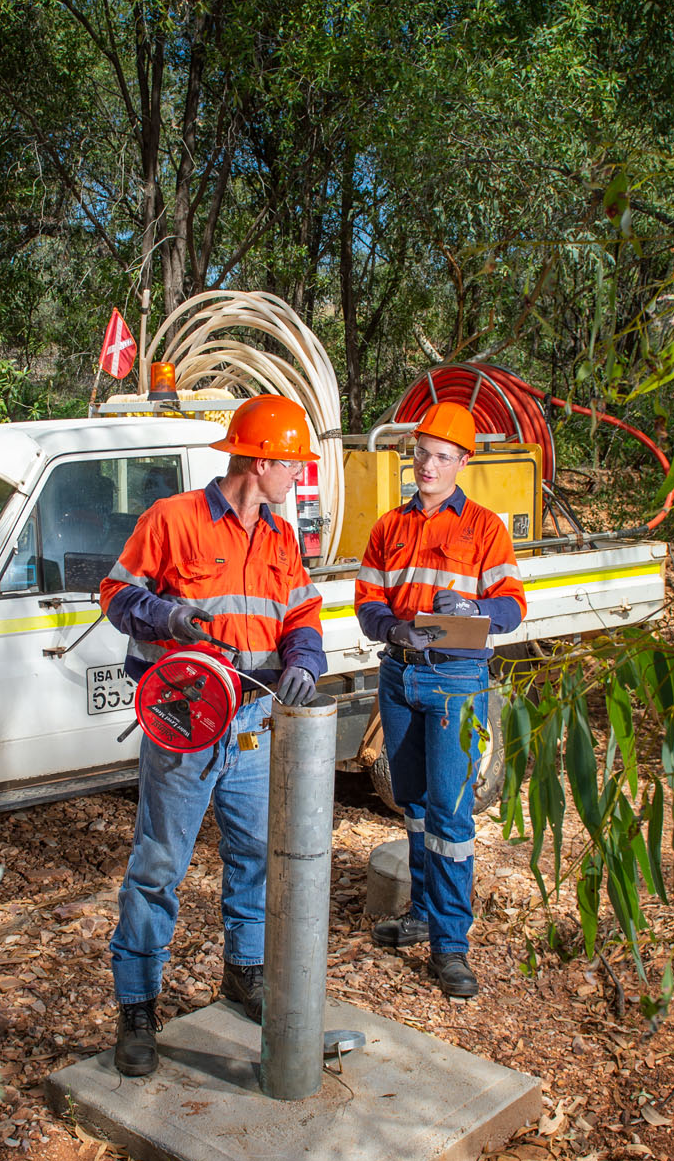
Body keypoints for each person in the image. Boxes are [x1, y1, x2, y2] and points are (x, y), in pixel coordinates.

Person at [98, 394, 327, 1075]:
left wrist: (306, 660)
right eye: (293, 464)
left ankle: (244, 973)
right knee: (159, 866)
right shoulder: (172, 520)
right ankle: (137, 1009)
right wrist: (168, 618)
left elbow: (301, 612)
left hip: (253, 722)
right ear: (259, 461)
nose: (299, 475)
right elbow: (114, 595)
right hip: (187, 720)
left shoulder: (282, 536)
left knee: (256, 857)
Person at [354, 401, 526, 999]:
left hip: (457, 682)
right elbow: (368, 601)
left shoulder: (484, 527)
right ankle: (423, 914)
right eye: (422, 453)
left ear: (462, 462)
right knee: (415, 804)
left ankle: (451, 946)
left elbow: (512, 606)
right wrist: (388, 628)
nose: (429, 464)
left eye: (443, 457)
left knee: (451, 818)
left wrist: (476, 610)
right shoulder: (387, 528)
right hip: (400, 678)